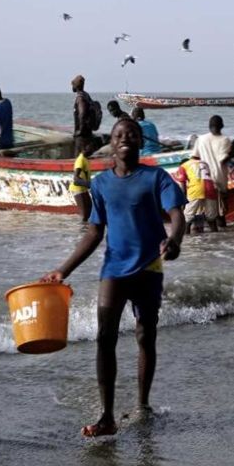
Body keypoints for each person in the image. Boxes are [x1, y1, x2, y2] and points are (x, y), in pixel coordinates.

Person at [39, 118, 187, 437]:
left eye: (131, 134)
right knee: (104, 337)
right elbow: (94, 232)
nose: (125, 138)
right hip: (114, 270)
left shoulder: (155, 177)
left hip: (149, 269)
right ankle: (107, 417)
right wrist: (63, 269)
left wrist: (174, 241)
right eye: (119, 134)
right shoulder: (102, 184)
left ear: (139, 141)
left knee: (145, 335)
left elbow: (177, 215)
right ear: (113, 142)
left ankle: (143, 404)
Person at [192, 115, 233, 229]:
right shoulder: (225, 140)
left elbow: (194, 158)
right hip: (219, 180)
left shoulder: (201, 139)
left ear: (209, 126)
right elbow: (223, 159)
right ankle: (219, 241)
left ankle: (202, 239)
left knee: (201, 212)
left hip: (203, 179)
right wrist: (232, 153)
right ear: (222, 126)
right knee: (220, 214)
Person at [173, 153, 219, 233]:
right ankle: (215, 235)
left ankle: (187, 236)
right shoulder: (205, 163)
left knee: (187, 218)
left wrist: (183, 202)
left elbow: (183, 188)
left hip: (195, 190)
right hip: (211, 189)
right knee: (212, 218)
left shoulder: (184, 166)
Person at [72, 75, 102, 157]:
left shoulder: (80, 98)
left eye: (72, 84)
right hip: (88, 133)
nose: (72, 86)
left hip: (82, 136)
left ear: (75, 85)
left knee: (79, 159)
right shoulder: (86, 95)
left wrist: (80, 131)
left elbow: (82, 114)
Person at [70, 152, 92, 222]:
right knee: (84, 214)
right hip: (78, 188)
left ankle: (85, 230)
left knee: (90, 211)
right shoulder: (80, 159)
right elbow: (76, 178)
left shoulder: (85, 159)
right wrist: (90, 184)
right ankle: (82, 231)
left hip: (84, 188)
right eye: (90, 146)